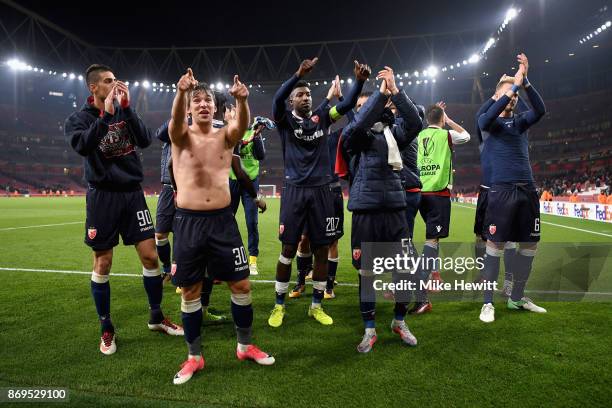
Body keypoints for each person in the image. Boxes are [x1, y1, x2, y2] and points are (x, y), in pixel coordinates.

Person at [65, 64, 183, 356]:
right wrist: (105, 115)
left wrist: (127, 109)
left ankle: (156, 316)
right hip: (102, 197)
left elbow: (144, 140)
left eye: (116, 80)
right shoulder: (77, 119)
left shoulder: (123, 111)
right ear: (93, 87)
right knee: (103, 262)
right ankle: (106, 327)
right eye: (108, 81)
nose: (114, 85)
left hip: (132, 195)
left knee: (150, 255)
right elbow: (84, 146)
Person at [169, 69, 274, 385]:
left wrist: (243, 100)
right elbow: (175, 122)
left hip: (222, 223)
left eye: (207, 101)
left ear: (214, 108)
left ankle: (244, 346)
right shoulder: (180, 135)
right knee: (190, 291)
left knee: (241, 286)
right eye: (196, 101)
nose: (202, 105)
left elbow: (241, 125)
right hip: (188, 224)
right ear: (189, 108)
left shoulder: (225, 136)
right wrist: (180, 93)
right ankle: (194, 357)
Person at [267, 58, 370, 328]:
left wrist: (359, 82)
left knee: (322, 250)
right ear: (292, 102)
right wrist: (297, 73)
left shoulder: (322, 117)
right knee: (288, 248)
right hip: (294, 192)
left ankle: (316, 305)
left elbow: (346, 106)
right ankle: (279, 305)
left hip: (322, 191)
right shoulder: (284, 121)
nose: (305, 97)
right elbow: (277, 100)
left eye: (308, 94)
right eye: (300, 94)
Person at [342, 66, 423, 353]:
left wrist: (395, 92)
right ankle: (369, 330)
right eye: (361, 107)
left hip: (395, 210)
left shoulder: (393, 133)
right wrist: (377, 96)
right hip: (366, 211)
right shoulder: (355, 137)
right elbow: (357, 125)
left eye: (372, 105)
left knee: (406, 270)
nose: (366, 110)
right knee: (367, 274)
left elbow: (416, 123)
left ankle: (399, 322)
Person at [477, 53, 547, 323]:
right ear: (498, 97)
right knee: (495, 245)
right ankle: (487, 303)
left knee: (530, 245)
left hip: (527, 190)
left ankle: (516, 298)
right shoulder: (489, 122)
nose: (514, 97)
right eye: (509, 93)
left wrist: (525, 83)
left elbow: (540, 111)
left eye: (516, 95)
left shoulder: (519, 123)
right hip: (502, 190)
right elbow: (484, 119)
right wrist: (511, 87)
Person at [289, 77, 353, 300]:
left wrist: (340, 97)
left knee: (331, 240)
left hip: (331, 191)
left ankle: (329, 285)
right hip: (309, 191)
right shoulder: (307, 131)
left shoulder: (339, 136)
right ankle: (300, 282)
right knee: (303, 239)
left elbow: (352, 118)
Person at [411, 101, 471, 312]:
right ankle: (418, 282)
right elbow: (466, 136)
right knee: (432, 239)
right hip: (438, 193)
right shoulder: (446, 135)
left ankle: (434, 275)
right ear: (442, 120)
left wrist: (438, 115)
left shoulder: (418, 136)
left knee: (431, 238)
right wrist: (449, 120)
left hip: (420, 193)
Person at [229, 115, 272, 275]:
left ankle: (252, 261)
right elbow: (237, 149)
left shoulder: (254, 133)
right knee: (227, 221)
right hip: (232, 180)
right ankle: (230, 256)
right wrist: (251, 137)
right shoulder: (231, 132)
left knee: (251, 222)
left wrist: (258, 136)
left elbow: (261, 156)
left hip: (251, 182)